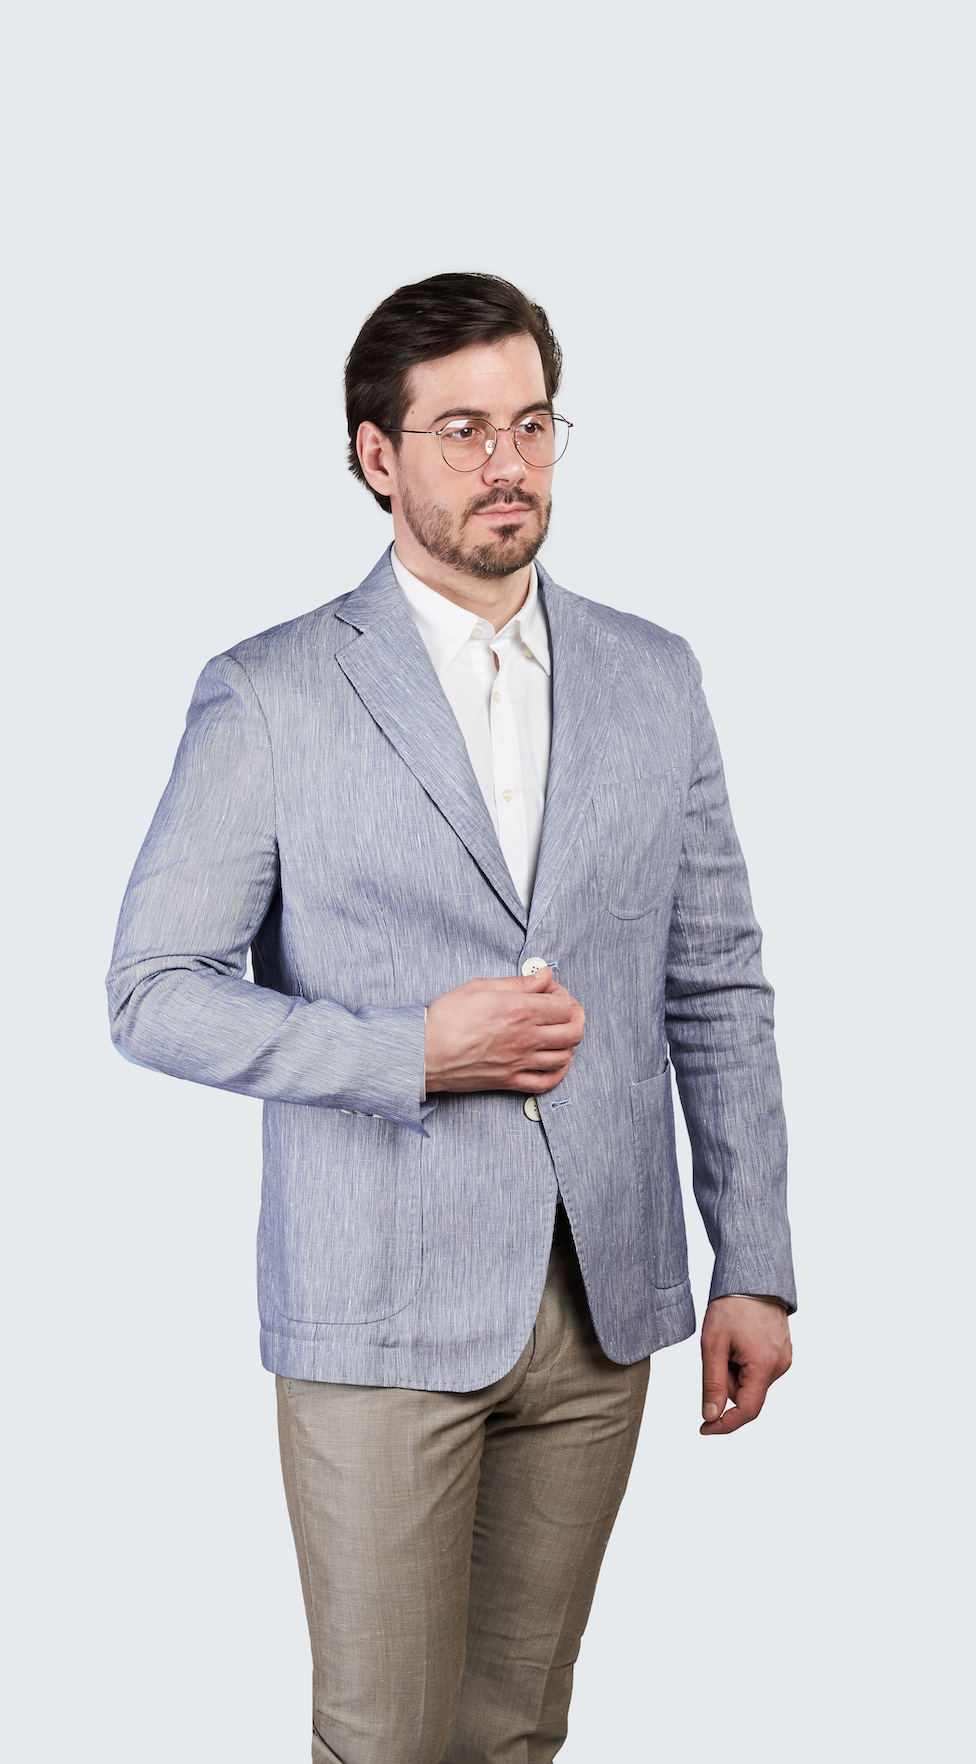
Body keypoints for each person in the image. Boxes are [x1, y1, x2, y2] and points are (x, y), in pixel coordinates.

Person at [106, 271, 795, 1764]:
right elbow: (153, 992)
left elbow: (715, 979)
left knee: (517, 1737)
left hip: (603, 1302)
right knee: (384, 1744)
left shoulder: (654, 676)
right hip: (375, 1306)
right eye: (464, 430)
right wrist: (411, 1052)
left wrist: (755, 1262)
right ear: (378, 457)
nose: (507, 463)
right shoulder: (272, 692)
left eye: (532, 425)